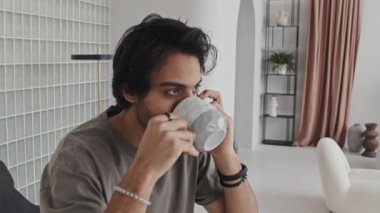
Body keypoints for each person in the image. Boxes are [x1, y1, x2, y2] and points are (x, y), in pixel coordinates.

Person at [40, 14, 258, 213]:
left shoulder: (190, 143)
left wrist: (226, 157)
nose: (189, 103)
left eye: (195, 90)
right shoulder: (79, 156)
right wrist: (146, 169)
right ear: (130, 91)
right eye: (172, 91)